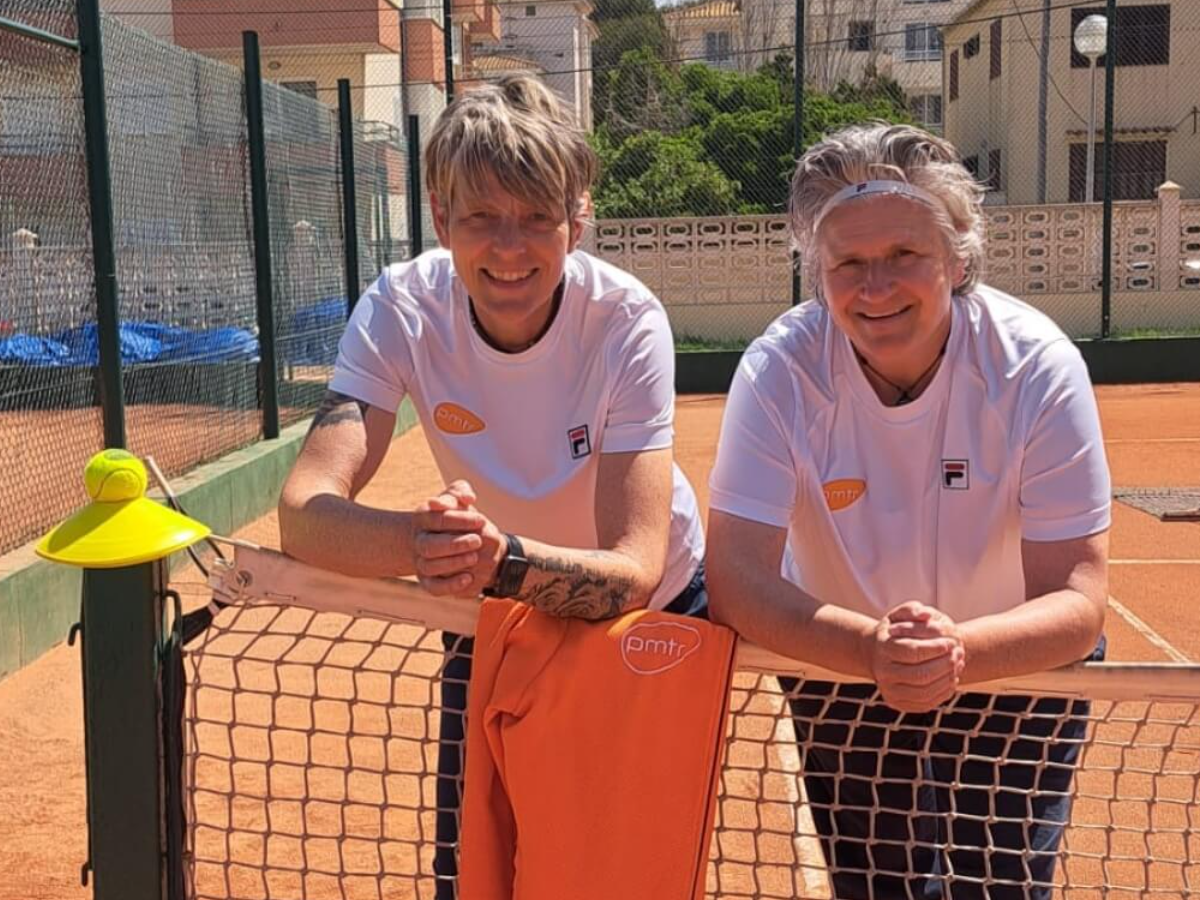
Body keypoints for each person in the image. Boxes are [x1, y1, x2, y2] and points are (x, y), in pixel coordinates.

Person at [276, 76, 706, 898]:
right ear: (441, 220)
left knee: (624, 874)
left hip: (650, 614)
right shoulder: (400, 308)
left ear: (577, 219)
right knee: (474, 871)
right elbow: (303, 514)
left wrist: (495, 560)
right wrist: (424, 545)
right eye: (481, 218)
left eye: (537, 218)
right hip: (492, 608)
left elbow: (636, 565)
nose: (510, 249)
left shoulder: (627, 321)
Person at [706, 122, 1111, 900]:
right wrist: (873, 651)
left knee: (1002, 887)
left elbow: (1078, 599)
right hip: (841, 668)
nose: (876, 287)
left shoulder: (1036, 366)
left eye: (903, 255)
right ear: (817, 271)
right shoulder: (780, 371)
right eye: (848, 263)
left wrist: (952, 652)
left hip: (1013, 670)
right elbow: (735, 577)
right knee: (877, 887)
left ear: (957, 258)